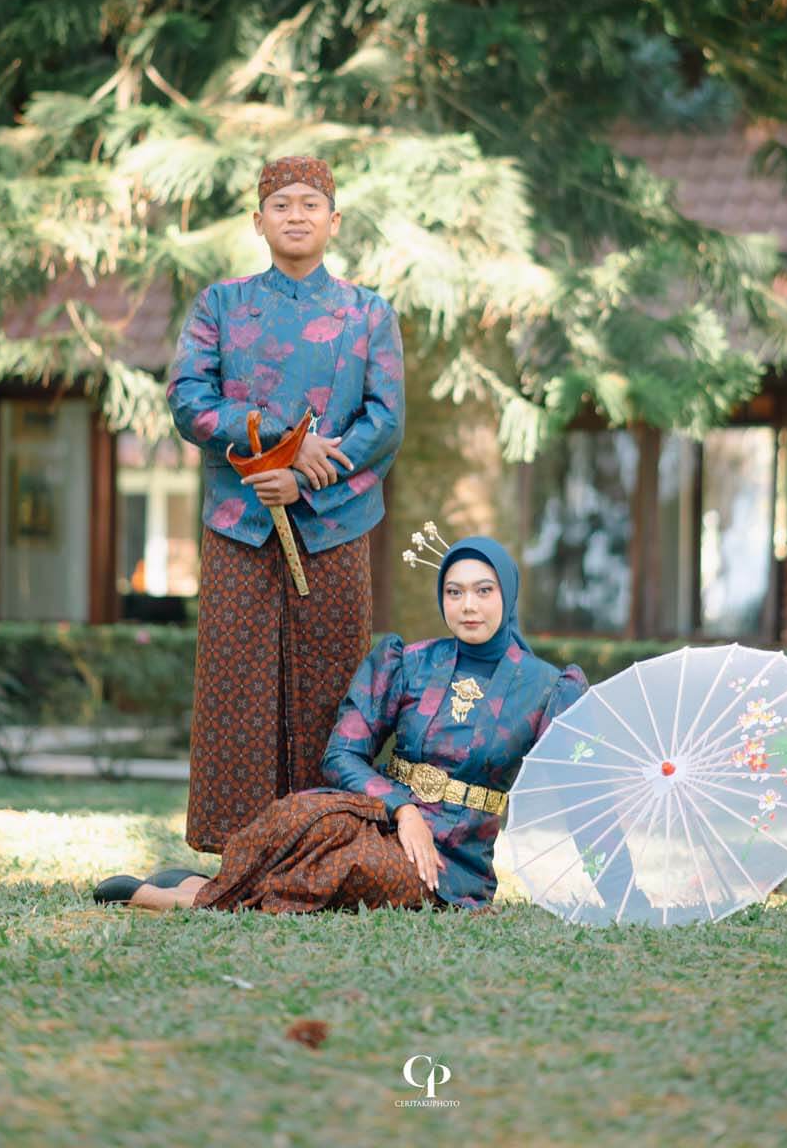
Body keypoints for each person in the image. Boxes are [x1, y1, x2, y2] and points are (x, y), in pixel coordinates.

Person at [93, 536, 588, 913]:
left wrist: (615, 879)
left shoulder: (545, 688)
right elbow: (341, 754)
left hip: (449, 862)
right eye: (454, 592)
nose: (468, 606)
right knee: (300, 816)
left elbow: (583, 789)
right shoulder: (409, 662)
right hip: (382, 817)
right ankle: (214, 884)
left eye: (484, 591)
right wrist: (402, 809)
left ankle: (184, 898)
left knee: (352, 866)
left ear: (508, 594)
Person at [166, 155, 404, 853]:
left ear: (334, 221)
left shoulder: (369, 313)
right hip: (240, 524)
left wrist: (305, 480)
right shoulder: (220, 305)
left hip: (334, 527)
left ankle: (325, 840)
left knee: (334, 686)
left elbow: (384, 422)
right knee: (234, 685)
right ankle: (235, 846)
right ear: (258, 221)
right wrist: (280, 444)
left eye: (310, 204)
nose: (295, 215)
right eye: (281, 204)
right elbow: (188, 399)